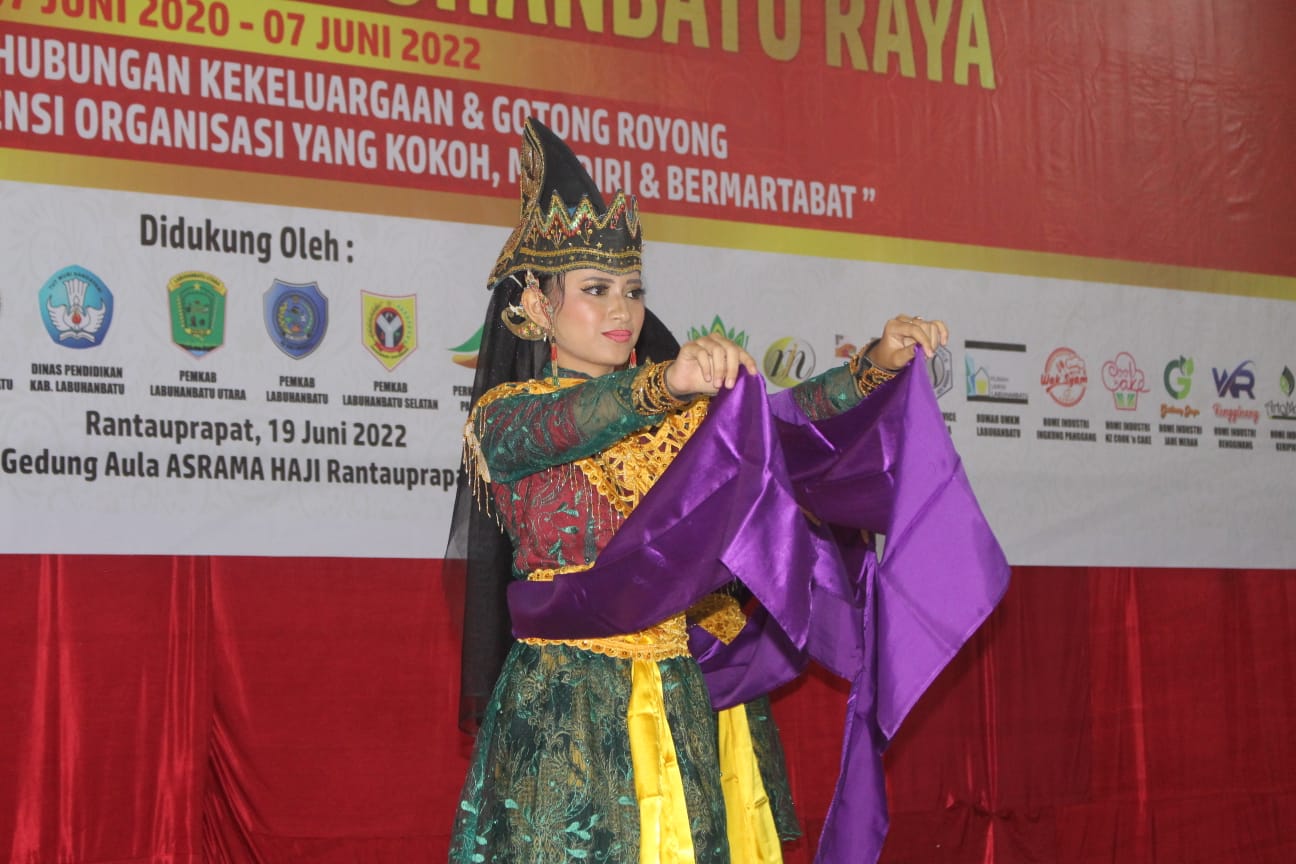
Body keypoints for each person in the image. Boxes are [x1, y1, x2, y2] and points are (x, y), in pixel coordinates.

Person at [447, 118, 948, 864]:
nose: (621, 310)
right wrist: (666, 383)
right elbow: (571, 422)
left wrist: (876, 363)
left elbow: (788, 427)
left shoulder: (678, 421)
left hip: (678, 699)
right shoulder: (506, 419)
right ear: (538, 305)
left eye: (632, 290)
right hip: (566, 711)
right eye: (595, 290)